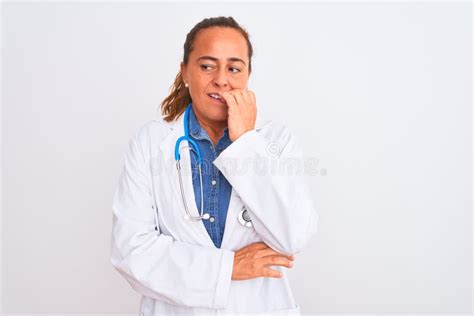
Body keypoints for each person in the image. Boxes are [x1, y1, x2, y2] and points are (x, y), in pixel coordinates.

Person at [111, 16, 319, 315]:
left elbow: (292, 236)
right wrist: (228, 268)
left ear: (247, 75)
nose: (222, 79)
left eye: (234, 68)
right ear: (185, 72)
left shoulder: (275, 140)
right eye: (207, 66)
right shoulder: (150, 141)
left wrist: (246, 141)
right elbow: (130, 252)